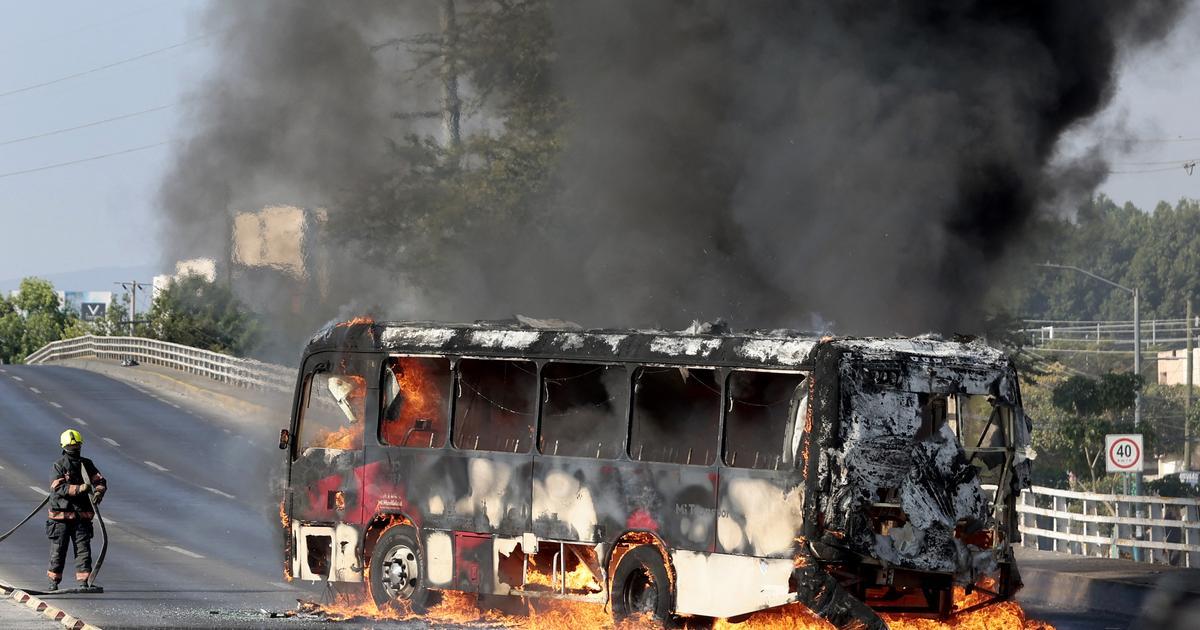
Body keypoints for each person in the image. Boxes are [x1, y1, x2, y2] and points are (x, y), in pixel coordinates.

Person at [46, 429, 106, 591]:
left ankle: (84, 581)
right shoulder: (59, 466)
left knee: (83, 550)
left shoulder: (86, 464)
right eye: (72, 445)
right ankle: (53, 581)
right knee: (58, 551)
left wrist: (99, 492)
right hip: (61, 519)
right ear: (64, 446)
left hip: (82, 518)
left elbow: (99, 480)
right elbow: (58, 489)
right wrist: (80, 488)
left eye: (77, 445)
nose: (75, 448)